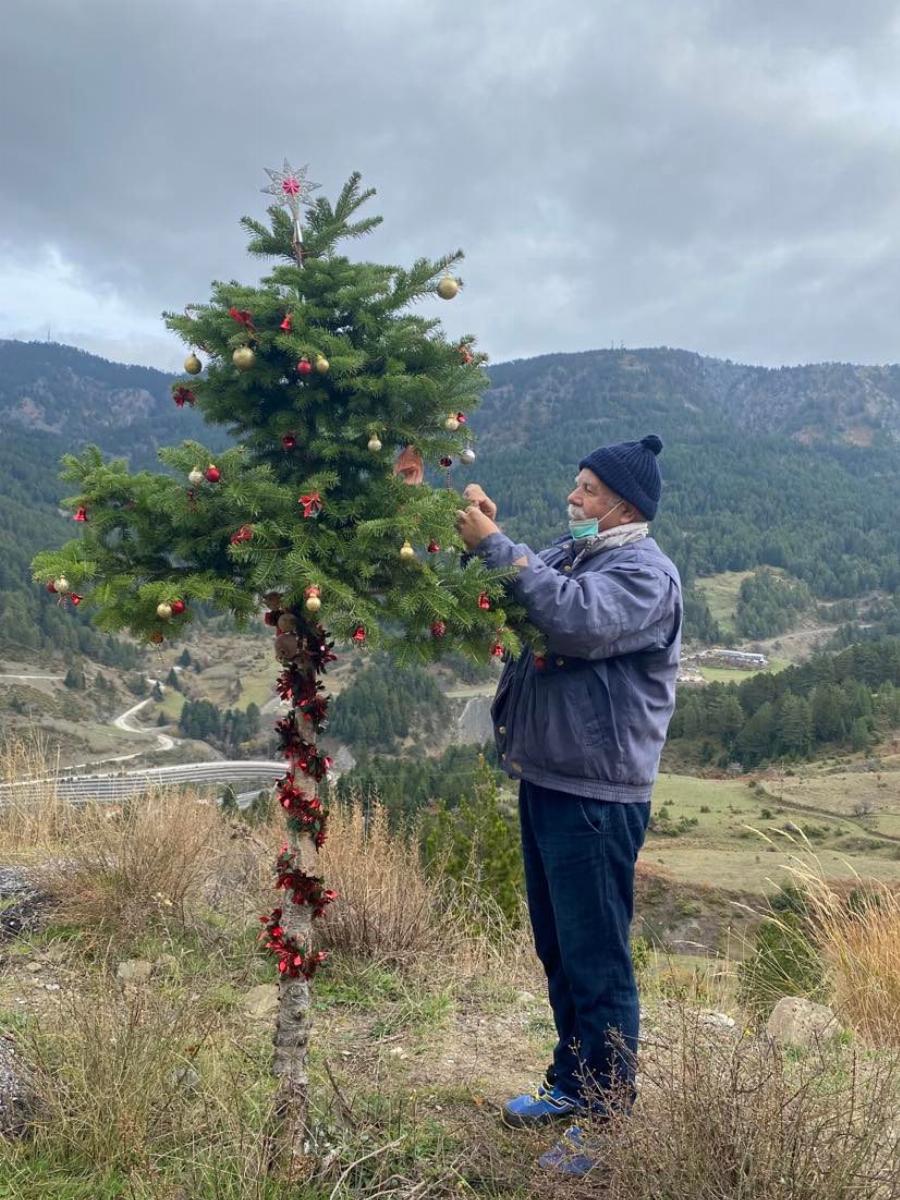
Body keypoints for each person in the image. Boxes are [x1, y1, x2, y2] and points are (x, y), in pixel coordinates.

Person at [454, 433, 682, 1178]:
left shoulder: (644, 575)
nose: (573, 500)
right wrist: (484, 536)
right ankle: (569, 1085)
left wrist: (499, 546)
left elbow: (571, 619)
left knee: (597, 959)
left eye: (585, 490)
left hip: (597, 795)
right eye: (576, 488)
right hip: (549, 779)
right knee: (558, 948)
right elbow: (522, 580)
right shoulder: (578, 551)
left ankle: (609, 1120)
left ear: (621, 505)